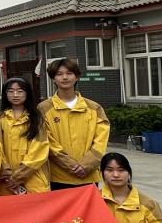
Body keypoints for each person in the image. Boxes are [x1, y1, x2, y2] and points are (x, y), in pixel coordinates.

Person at [37, 58, 110, 190]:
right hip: (57, 176)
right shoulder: (44, 108)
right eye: (59, 74)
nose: (65, 77)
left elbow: (101, 141)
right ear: (53, 79)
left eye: (69, 73)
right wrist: (70, 165)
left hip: (88, 175)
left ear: (77, 77)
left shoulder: (94, 108)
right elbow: (46, 141)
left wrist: (86, 165)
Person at [0, 77, 49, 194]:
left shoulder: (37, 118)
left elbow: (39, 150)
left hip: (34, 177)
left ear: (27, 93)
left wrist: (19, 176)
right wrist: (6, 171)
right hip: (6, 181)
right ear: (5, 94)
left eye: (20, 91)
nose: (15, 95)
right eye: (10, 91)